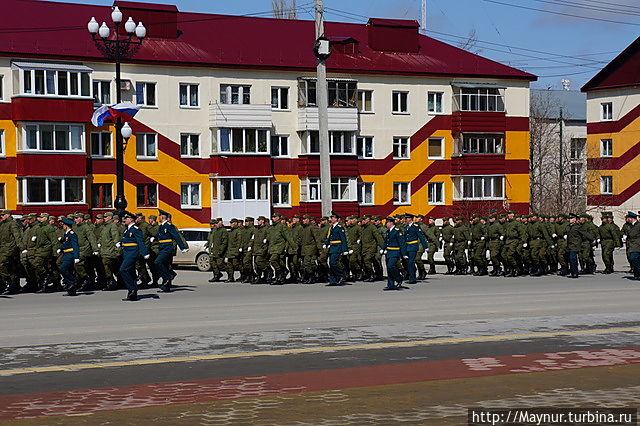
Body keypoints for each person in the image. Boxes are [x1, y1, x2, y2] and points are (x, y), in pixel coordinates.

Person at [154, 209, 188, 292]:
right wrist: (153, 238)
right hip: (162, 247)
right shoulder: (161, 226)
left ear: (162, 217)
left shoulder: (169, 226)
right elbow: (158, 235)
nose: (158, 217)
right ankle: (166, 287)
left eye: (159, 216)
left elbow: (176, 236)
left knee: (157, 262)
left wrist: (182, 247)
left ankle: (167, 277)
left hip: (167, 248)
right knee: (165, 265)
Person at [118, 212, 149, 301]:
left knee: (123, 270)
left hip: (132, 253)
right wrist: (120, 243)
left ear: (131, 219)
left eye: (126, 218)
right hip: (126, 253)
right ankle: (132, 293)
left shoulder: (136, 229)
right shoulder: (127, 229)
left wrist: (145, 253)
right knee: (130, 272)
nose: (124, 220)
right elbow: (126, 239)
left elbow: (140, 241)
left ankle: (132, 289)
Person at [380, 217, 405, 290]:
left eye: (387, 222)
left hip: (395, 252)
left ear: (391, 223)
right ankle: (390, 285)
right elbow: (386, 242)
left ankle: (399, 278)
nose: (386, 224)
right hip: (388, 252)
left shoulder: (397, 231)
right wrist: (383, 248)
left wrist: (403, 254)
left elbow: (402, 243)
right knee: (388, 268)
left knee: (391, 266)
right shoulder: (388, 231)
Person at [324, 212, 349, 286]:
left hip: (337, 247)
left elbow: (343, 239)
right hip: (332, 247)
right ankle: (333, 281)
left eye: (333, 218)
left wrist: (345, 250)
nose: (331, 219)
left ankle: (341, 273)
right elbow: (330, 237)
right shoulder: (332, 227)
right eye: (331, 218)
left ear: (337, 219)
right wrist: (326, 244)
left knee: (333, 262)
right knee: (331, 265)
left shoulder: (339, 228)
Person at [401, 213, 427, 284]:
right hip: (407, 247)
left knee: (410, 262)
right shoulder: (406, 227)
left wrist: (425, 246)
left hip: (413, 246)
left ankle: (412, 279)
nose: (405, 220)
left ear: (410, 219)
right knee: (408, 263)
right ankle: (412, 273)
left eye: (407, 218)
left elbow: (421, 237)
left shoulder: (415, 227)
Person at [58, 217, 80, 296]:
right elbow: (65, 244)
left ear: (66, 226)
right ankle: (72, 291)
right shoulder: (67, 234)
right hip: (66, 254)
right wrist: (60, 249)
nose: (62, 227)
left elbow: (75, 245)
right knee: (69, 271)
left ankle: (72, 282)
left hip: (70, 255)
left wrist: (76, 256)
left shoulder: (72, 234)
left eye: (63, 225)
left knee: (62, 268)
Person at [622, 211, 640, 280]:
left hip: (637, 245)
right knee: (634, 259)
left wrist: (627, 236)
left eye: (628, 218)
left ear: (632, 218)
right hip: (631, 245)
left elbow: (632, 234)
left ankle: (638, 274)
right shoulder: (630, 225)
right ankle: (637, 274)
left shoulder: (638, 225)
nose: (627, 219)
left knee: (633, 258)